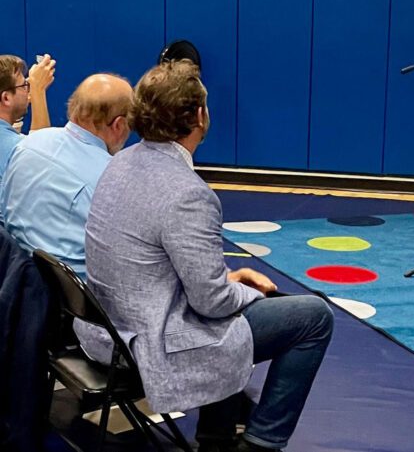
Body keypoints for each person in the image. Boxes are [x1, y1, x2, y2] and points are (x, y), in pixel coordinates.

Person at [75, 60, 333, 452]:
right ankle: (262, 443)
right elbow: (212, 303)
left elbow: (159, 266)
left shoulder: (120, 162)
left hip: (106, 331)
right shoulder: (189, 194)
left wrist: (228, 281)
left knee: (229, 305)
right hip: (148, 343)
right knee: (313, 316)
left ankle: (218, 433)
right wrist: (249, 294)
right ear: (199, 115)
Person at [0, 73, 132, 273]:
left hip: (17, 282)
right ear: (119, 125)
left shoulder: (26, 145)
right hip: (81, 298)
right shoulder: (114, 181)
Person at [0, 54, 55, 176]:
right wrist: (38, 91)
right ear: (6, 98)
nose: (28, 91)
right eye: (24, 86)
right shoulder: (16, 149)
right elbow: (42, 161)